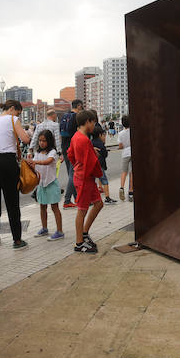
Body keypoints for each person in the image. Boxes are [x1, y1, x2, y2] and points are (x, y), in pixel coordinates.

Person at [0, 100, 31, 249]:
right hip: (7, 162)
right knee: (12, 200)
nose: (18, 115)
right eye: (18, 112)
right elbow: (25, 139)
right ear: (12, 109)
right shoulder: (13, 119)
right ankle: (17, 239)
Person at [68, 110, 104, 253]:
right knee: (82, 210)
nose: (94, 125)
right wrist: (93, 154)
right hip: (84, 178)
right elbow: (91, 163)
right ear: (88, 121)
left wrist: (79, 163)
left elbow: (70, 154)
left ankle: (84, 233)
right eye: (93, 122)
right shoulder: (83, 140)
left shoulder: (77, 136)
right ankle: (79, 243)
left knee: (98, 204)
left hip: (83, 177)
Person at [27, 129, 64, 240]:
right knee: (42, 206)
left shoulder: (52, 152)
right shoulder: (37, 153)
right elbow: (34, 165)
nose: (41, 143)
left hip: (51, 183)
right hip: (41, 184)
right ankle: (44, 228)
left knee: (54, 207)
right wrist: (29, 163)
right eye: (40, 140)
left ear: (49, 141)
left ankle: (60, 231)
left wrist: (35, 162)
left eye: (44, 141)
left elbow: (48, 161)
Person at [61, 99, 84, 208]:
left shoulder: (65, 116)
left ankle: (76, 198)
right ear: (79, 106)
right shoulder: (76, 117)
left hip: (64, 147)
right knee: (73, 174)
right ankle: (66, 200)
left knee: (71, 173)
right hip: (73, 148)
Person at [92, 123, 116, 204]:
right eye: (103, 135)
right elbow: (105, 154)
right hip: (100, 166)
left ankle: (91, 198)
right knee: (105, 181)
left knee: (92, 182)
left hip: (92, 166)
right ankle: (107, 198)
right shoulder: (101, 144)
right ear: (100, 135)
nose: (104, 137)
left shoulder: (91, 142)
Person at [117, 115, 132, 201]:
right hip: (132, 152)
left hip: (125, 153)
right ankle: (131, 191)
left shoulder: (120, 133)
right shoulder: (132, 131)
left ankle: (122, 187)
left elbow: (120, 145)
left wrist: (122, 147)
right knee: (131, 173)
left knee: (124, 172)